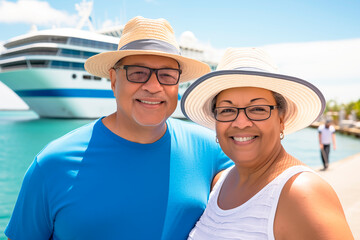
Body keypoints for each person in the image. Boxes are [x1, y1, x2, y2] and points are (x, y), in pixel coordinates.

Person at [5, 16, 232, 240]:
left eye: (167, 75)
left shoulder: (211, 149)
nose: (154, 87)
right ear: (114, 80)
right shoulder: (52, 165)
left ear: (177, 84)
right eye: (138, 73)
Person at [181, 48, 354, 239]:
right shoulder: (219, 183)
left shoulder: (303, 193)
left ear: (281, 119)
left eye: (257, 109)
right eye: (227, 110)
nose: (240, 122)